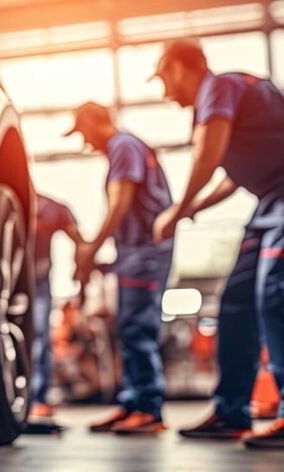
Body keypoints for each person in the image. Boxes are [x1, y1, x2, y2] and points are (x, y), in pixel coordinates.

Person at [151, 39, 284, 449]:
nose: (165, 91)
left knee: (278, 292)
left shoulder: (218, 88)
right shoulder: (225, 99)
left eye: (164, 77)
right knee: (236, 298)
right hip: (272, 197)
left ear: (182, 67)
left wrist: (176, 211)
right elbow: (230, 173)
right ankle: (232, 410)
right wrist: (193, 207)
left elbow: (208, 155)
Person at [63, 102, 174, 435]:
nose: (85, 141)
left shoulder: (123, 146)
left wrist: (90, 249)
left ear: (96, 122)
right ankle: (132, 402)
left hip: (145, 251)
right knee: (127, 327)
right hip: (133, 251)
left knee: (137, 327)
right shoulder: (126, 148)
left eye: (83, 131)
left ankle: (148, 409)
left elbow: (120, 202)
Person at [30, 195, 83, 419]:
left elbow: (79, 241)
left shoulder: (51, 207)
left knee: (39, 337)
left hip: (38, 281)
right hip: (5, 279)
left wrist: (80, 271)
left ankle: (37, 399)